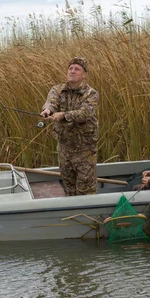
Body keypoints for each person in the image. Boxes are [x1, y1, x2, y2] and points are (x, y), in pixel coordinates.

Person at [40, 56, 99, 196]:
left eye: (77, 69)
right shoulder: (57, 89)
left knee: (86, 190)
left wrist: (64, 115)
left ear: (84, 74)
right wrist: (47, 110)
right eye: (70, 68)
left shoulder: (91, 93)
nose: (72, 71)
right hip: (64, 148)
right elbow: (51, 102)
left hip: (85, 150)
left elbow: (85, 113)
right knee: (69, 189)